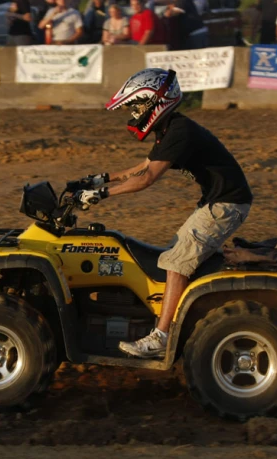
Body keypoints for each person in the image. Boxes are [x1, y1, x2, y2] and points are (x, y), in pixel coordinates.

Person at [75, 69, 253, 359]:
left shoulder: (180, 131)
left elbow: (147, 179)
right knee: (174, 253)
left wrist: (102, 195)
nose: (133, 112)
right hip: (216, 201)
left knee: (175, 262)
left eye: (137, 106)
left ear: (155, 101)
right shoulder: (170, 129)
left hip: (226, 204)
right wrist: (101, 179)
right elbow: (144, 166)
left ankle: (161, 337)